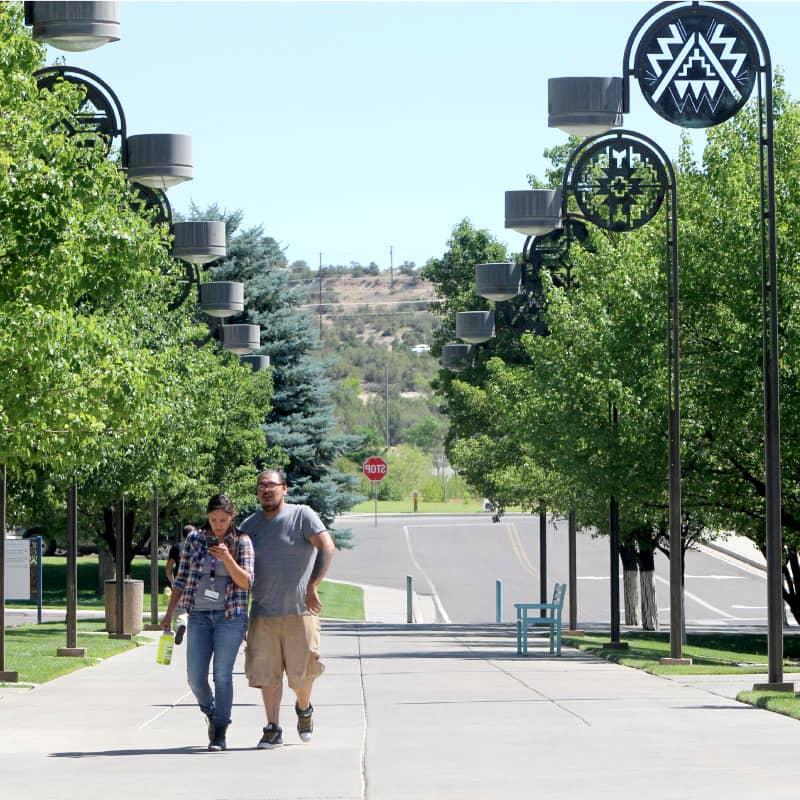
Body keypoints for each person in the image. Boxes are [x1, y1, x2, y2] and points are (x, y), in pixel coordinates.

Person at [241, 469, 335, 749]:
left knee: (302, 675)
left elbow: (327, 547)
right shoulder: (249, 525)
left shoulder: (301, 515)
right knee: (267, 676)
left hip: (300, 612)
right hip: (262, 614)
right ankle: (272, 728)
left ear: (285, 488)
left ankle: (304, 709)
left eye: (271, 485)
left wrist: (312, 585)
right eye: (261, 486)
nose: (266, 490)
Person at [161, 495, 254, 751]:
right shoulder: (195, 540)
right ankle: (211, 712)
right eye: (213, 520)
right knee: (195, 676)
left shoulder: (242, 542)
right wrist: (170, 613)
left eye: (223, 520)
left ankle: (220, 732)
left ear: (232, 517)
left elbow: (247, 581)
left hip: (230, 616)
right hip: (199, 615)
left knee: (222, 675)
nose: (218, 525)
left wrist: (227, 559)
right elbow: (181, 580)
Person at [165, 525, 196, 645]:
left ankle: (181, 625)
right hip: (196, 584)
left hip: (180, 583)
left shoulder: (176, 547)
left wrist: (173, 582)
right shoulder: (199, 547)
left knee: (180, 610)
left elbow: (168, 568)